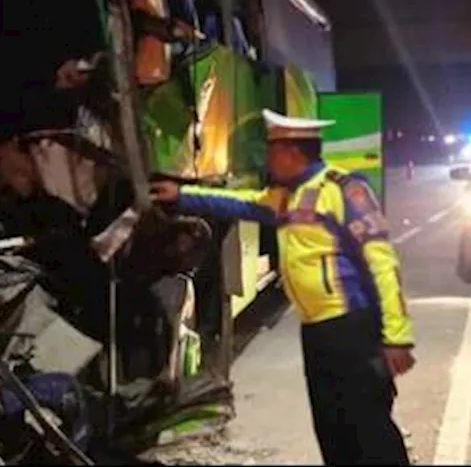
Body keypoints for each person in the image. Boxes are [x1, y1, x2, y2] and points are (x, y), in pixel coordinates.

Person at [149, 109, 415, 466]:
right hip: (317, 334)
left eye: (273, 152)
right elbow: (238, 202)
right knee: (332, 429)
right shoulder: (285, 196)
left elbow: (383, 263)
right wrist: (181, 196)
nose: (268, 160)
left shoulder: (343, 189)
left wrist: (396, 336)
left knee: (370, 429)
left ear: (293, 153)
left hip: (351, 328)